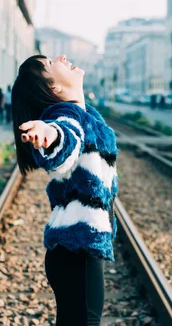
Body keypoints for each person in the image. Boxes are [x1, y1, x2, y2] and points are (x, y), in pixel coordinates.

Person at [12, 54, 118, 326]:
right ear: (54, 89)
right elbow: (64, 138)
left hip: (76, 250)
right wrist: (47, 135)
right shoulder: (65, 116)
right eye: (50, 63)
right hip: (76, 251)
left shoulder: (86, 115)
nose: (60, 57)